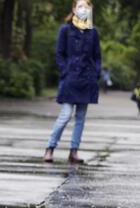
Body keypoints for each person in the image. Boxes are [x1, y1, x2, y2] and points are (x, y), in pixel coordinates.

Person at [43, 0, 101, 164]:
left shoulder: (93, 32)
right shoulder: (65, 30)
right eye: (80, 6)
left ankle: (73, 152)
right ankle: (50, 147)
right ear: (74, 9)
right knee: (66, 115)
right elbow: (59, 54)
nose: (83, 9)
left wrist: (95, 73)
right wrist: (65, 70)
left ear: (91, 10)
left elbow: (97, 56)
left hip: (87, 80)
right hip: (70, 79)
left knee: (81, 118)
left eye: (87, 6)